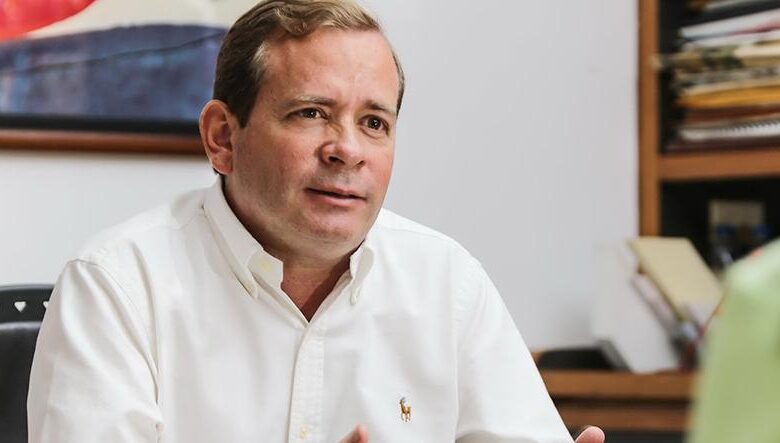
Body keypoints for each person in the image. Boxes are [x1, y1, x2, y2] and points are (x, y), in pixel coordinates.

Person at [27, 1, 604, 442]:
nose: (347, 150)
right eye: (311, 113)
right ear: (223, 137)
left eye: (374, 123)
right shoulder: (118, 286)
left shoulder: (448, 281)